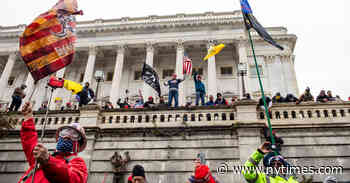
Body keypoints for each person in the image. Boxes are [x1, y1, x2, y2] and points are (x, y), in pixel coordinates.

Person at [18, 102, 88, 183]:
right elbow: (29, 141)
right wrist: (28, 117)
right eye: (64, 132)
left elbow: (72, 178)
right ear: (58, 137)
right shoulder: (41, 156)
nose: (67, 136)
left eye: (74, 135)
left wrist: (48, 160)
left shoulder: (78, 163)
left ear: (78, 145)